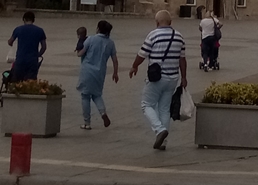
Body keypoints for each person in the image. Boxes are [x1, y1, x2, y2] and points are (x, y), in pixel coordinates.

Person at [129, 10, 187, 150]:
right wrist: (184, 77)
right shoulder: (179, 36)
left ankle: (159, 129)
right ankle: (163, 142)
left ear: (157, 22)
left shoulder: (153, 34)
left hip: (156, 77)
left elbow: (142, 54)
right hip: (173, 78)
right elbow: (182, 59)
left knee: (146, 104)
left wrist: (134, 66)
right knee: (164, 109)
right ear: (170, 22)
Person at [77, 20, 118, 130]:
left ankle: (87, 123)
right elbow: (115, 60)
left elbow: (80, 53)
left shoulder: (91, 39)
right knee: (97, 95)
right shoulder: (110, 43)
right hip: (100, 72)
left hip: (87, 71)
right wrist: (115, 73)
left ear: (98, 29)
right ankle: (103, 113)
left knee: (85, 96)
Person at [7, 11, 46, 82]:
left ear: (24, 19)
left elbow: (10, 42)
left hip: (20, 60)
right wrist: (38, 55)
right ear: (33, 20)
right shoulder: (40, 30)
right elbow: (44, 47)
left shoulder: (18, 29)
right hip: (32, 61)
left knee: (17, 81)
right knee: (31, 82)